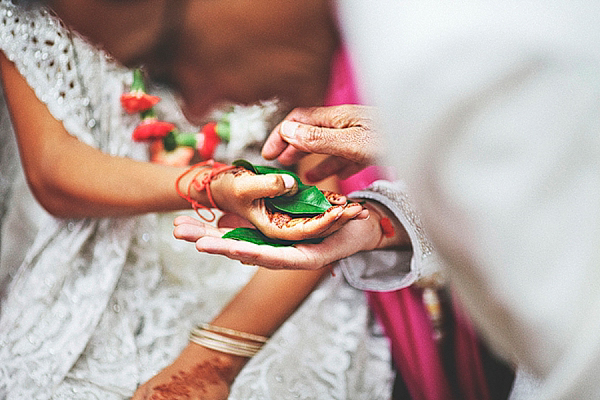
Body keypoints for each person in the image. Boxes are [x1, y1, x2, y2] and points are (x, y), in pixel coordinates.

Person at [34, 0, 600, 398]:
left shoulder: (453, 61)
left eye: (169, 56)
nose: (197, 108)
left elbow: (582, 358)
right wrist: (383, 220)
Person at [0, 2, 394, 399]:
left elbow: (322, 180)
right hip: (90, 264)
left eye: (169, 58)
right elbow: (53, 170)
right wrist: (212, 185)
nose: (194, 110)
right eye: (161, 77)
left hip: (274, 283)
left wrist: (215, 357)